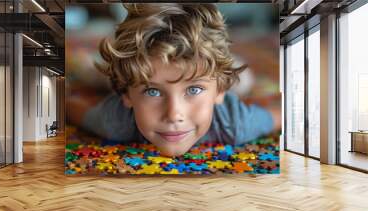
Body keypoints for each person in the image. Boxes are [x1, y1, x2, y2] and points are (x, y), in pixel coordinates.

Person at [67, 3, 281, 157]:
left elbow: (286, 112)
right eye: (153, 92)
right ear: (126, 95)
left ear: (220, 92)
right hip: (135, 71)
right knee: (98, 75)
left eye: (194, 90)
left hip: (220, 72)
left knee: (243, 80)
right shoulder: (115, 120)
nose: (173, 115)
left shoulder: (233, 122)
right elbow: (69, 105)